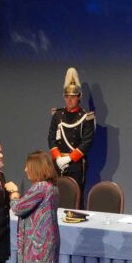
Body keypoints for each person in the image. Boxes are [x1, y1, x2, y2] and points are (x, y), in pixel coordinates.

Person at [47, 67, 95, 206]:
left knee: (75, 198)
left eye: (73, 96)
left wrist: (69, 158)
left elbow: (87, 142)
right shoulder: (58, 115)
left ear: (79, 97)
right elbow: (51, 138)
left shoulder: (86, 117)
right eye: (67, 96)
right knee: (56, 197)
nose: (69, 99)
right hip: (58, 163)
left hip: (76, 164)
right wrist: (58, 158)